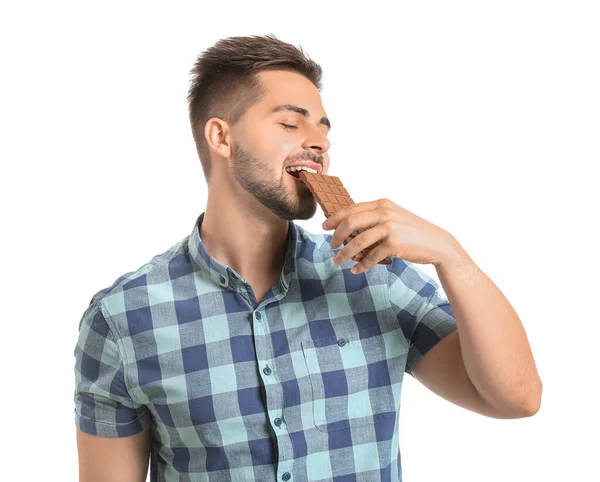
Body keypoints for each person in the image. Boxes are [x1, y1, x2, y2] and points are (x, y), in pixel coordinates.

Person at [74, 34, 542, 482]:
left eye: (322, 127)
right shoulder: (122, 319)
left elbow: (516, 399)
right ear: (221, 137)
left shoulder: (375, 274)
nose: (320, 142)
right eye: (290, 123)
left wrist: (451, 256)